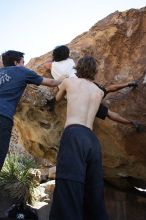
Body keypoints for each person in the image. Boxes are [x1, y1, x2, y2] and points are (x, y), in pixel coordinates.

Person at [49, 56, 109, 220]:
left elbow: (57, 98)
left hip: (74, 135)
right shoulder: (99, 91)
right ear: (95, 72)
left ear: (78, 68)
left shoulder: (69, 82)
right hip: (92, 140)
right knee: (94, 192)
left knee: (69, 187)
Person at [0, 50, 66, 171]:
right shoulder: (22, 71)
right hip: (3, 117)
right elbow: (50, 82)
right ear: (16, 62)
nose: (24, 65)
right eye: (22, 62)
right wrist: (62, 78)